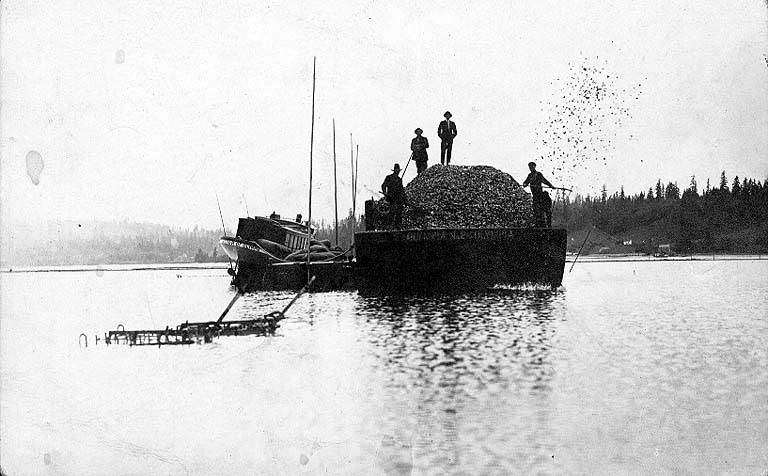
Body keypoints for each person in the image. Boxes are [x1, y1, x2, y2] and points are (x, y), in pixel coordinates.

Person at [522, 162, 554, 228]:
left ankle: (548, 225)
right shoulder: (530, 176)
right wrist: (524, 184)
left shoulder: (538, 174)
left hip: (540, 195)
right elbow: (525, 183)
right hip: (535, 196)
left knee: (545, 210)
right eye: (529, 167)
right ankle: (539, 224)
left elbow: (544, 181)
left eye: (531, 166)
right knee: (536, 211)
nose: (530, 168)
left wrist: (551, 185)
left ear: (534, 166)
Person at [381, 163, 406, 229]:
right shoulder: (389, 177)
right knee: (392, 212)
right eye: (396, 170)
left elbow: (402, 190)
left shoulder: (399, 179)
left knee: (399, 212)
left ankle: (398, 226)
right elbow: (383, 185)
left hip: (398, 199)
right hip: (391, 198)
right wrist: (385, 193)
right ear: (394, 170)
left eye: (398, 170)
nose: (397, 172)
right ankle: (389, 226)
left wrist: (404, 198)